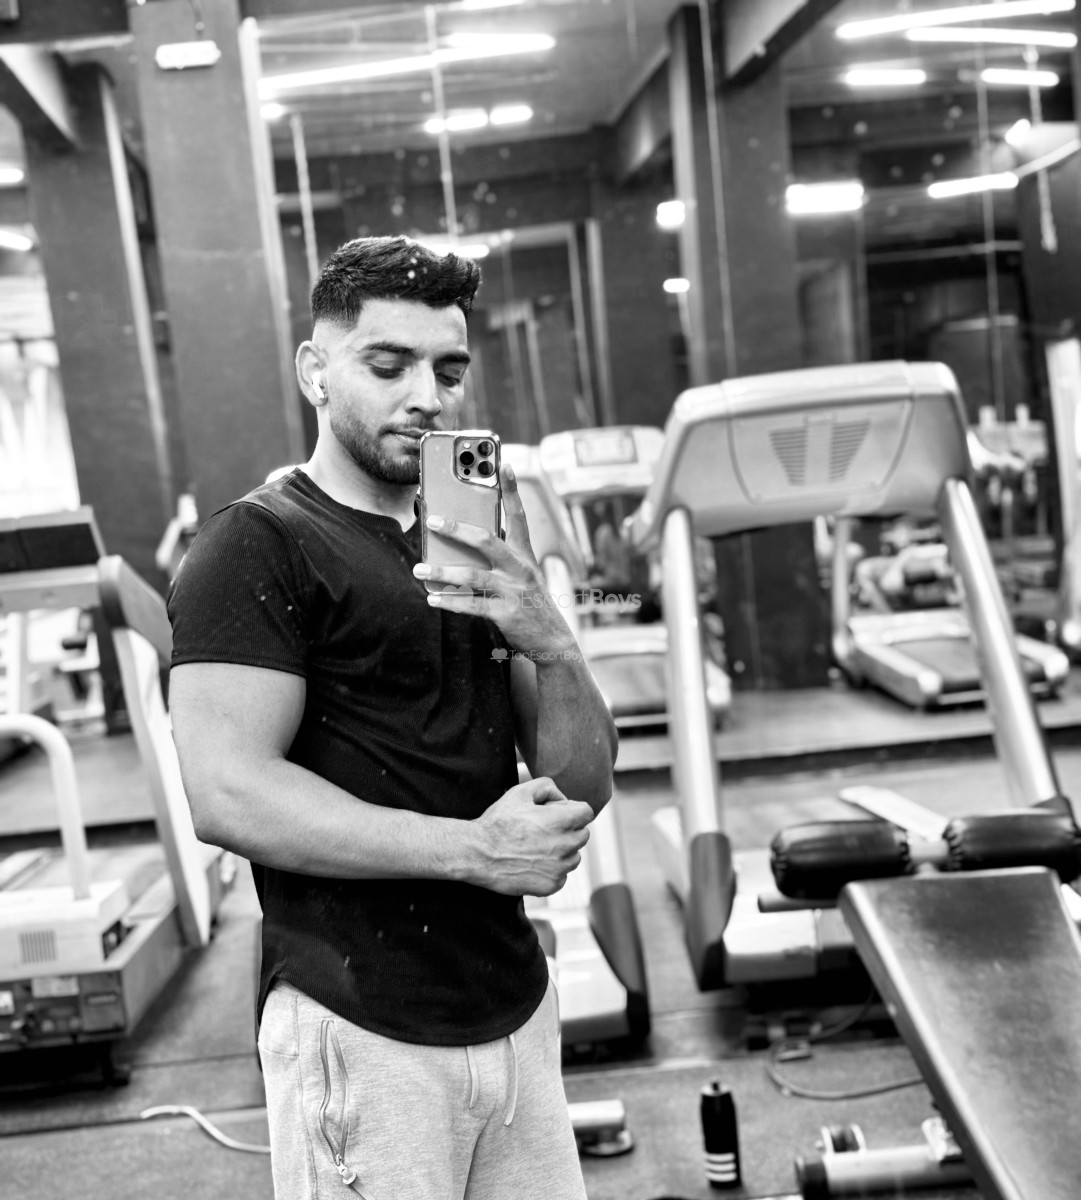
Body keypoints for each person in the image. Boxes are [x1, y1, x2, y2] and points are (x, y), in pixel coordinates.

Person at [166, 235, 617, 1200]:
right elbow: (227, 794)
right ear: (315, 372)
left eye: (447, 371)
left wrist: (553, 644)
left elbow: (579, 788)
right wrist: (473, 851)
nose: (427, 396)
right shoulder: (257, 545)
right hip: (361, 1018)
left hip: (513, 1005)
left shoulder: (471, 543)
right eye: (388, 365)